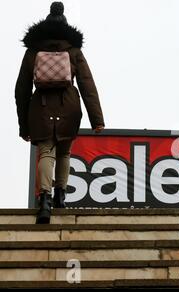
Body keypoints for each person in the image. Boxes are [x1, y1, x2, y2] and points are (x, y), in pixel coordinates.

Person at [15, 2, 105, 224]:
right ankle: (60, 198)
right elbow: (87, 84)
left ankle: (44, 201)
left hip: (40, 108)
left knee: (46, 151)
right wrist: (97, 120)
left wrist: (23, 125)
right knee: (64, 152)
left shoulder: (33, 51)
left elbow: (22, 89)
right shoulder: (73, 50)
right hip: (69, 106)